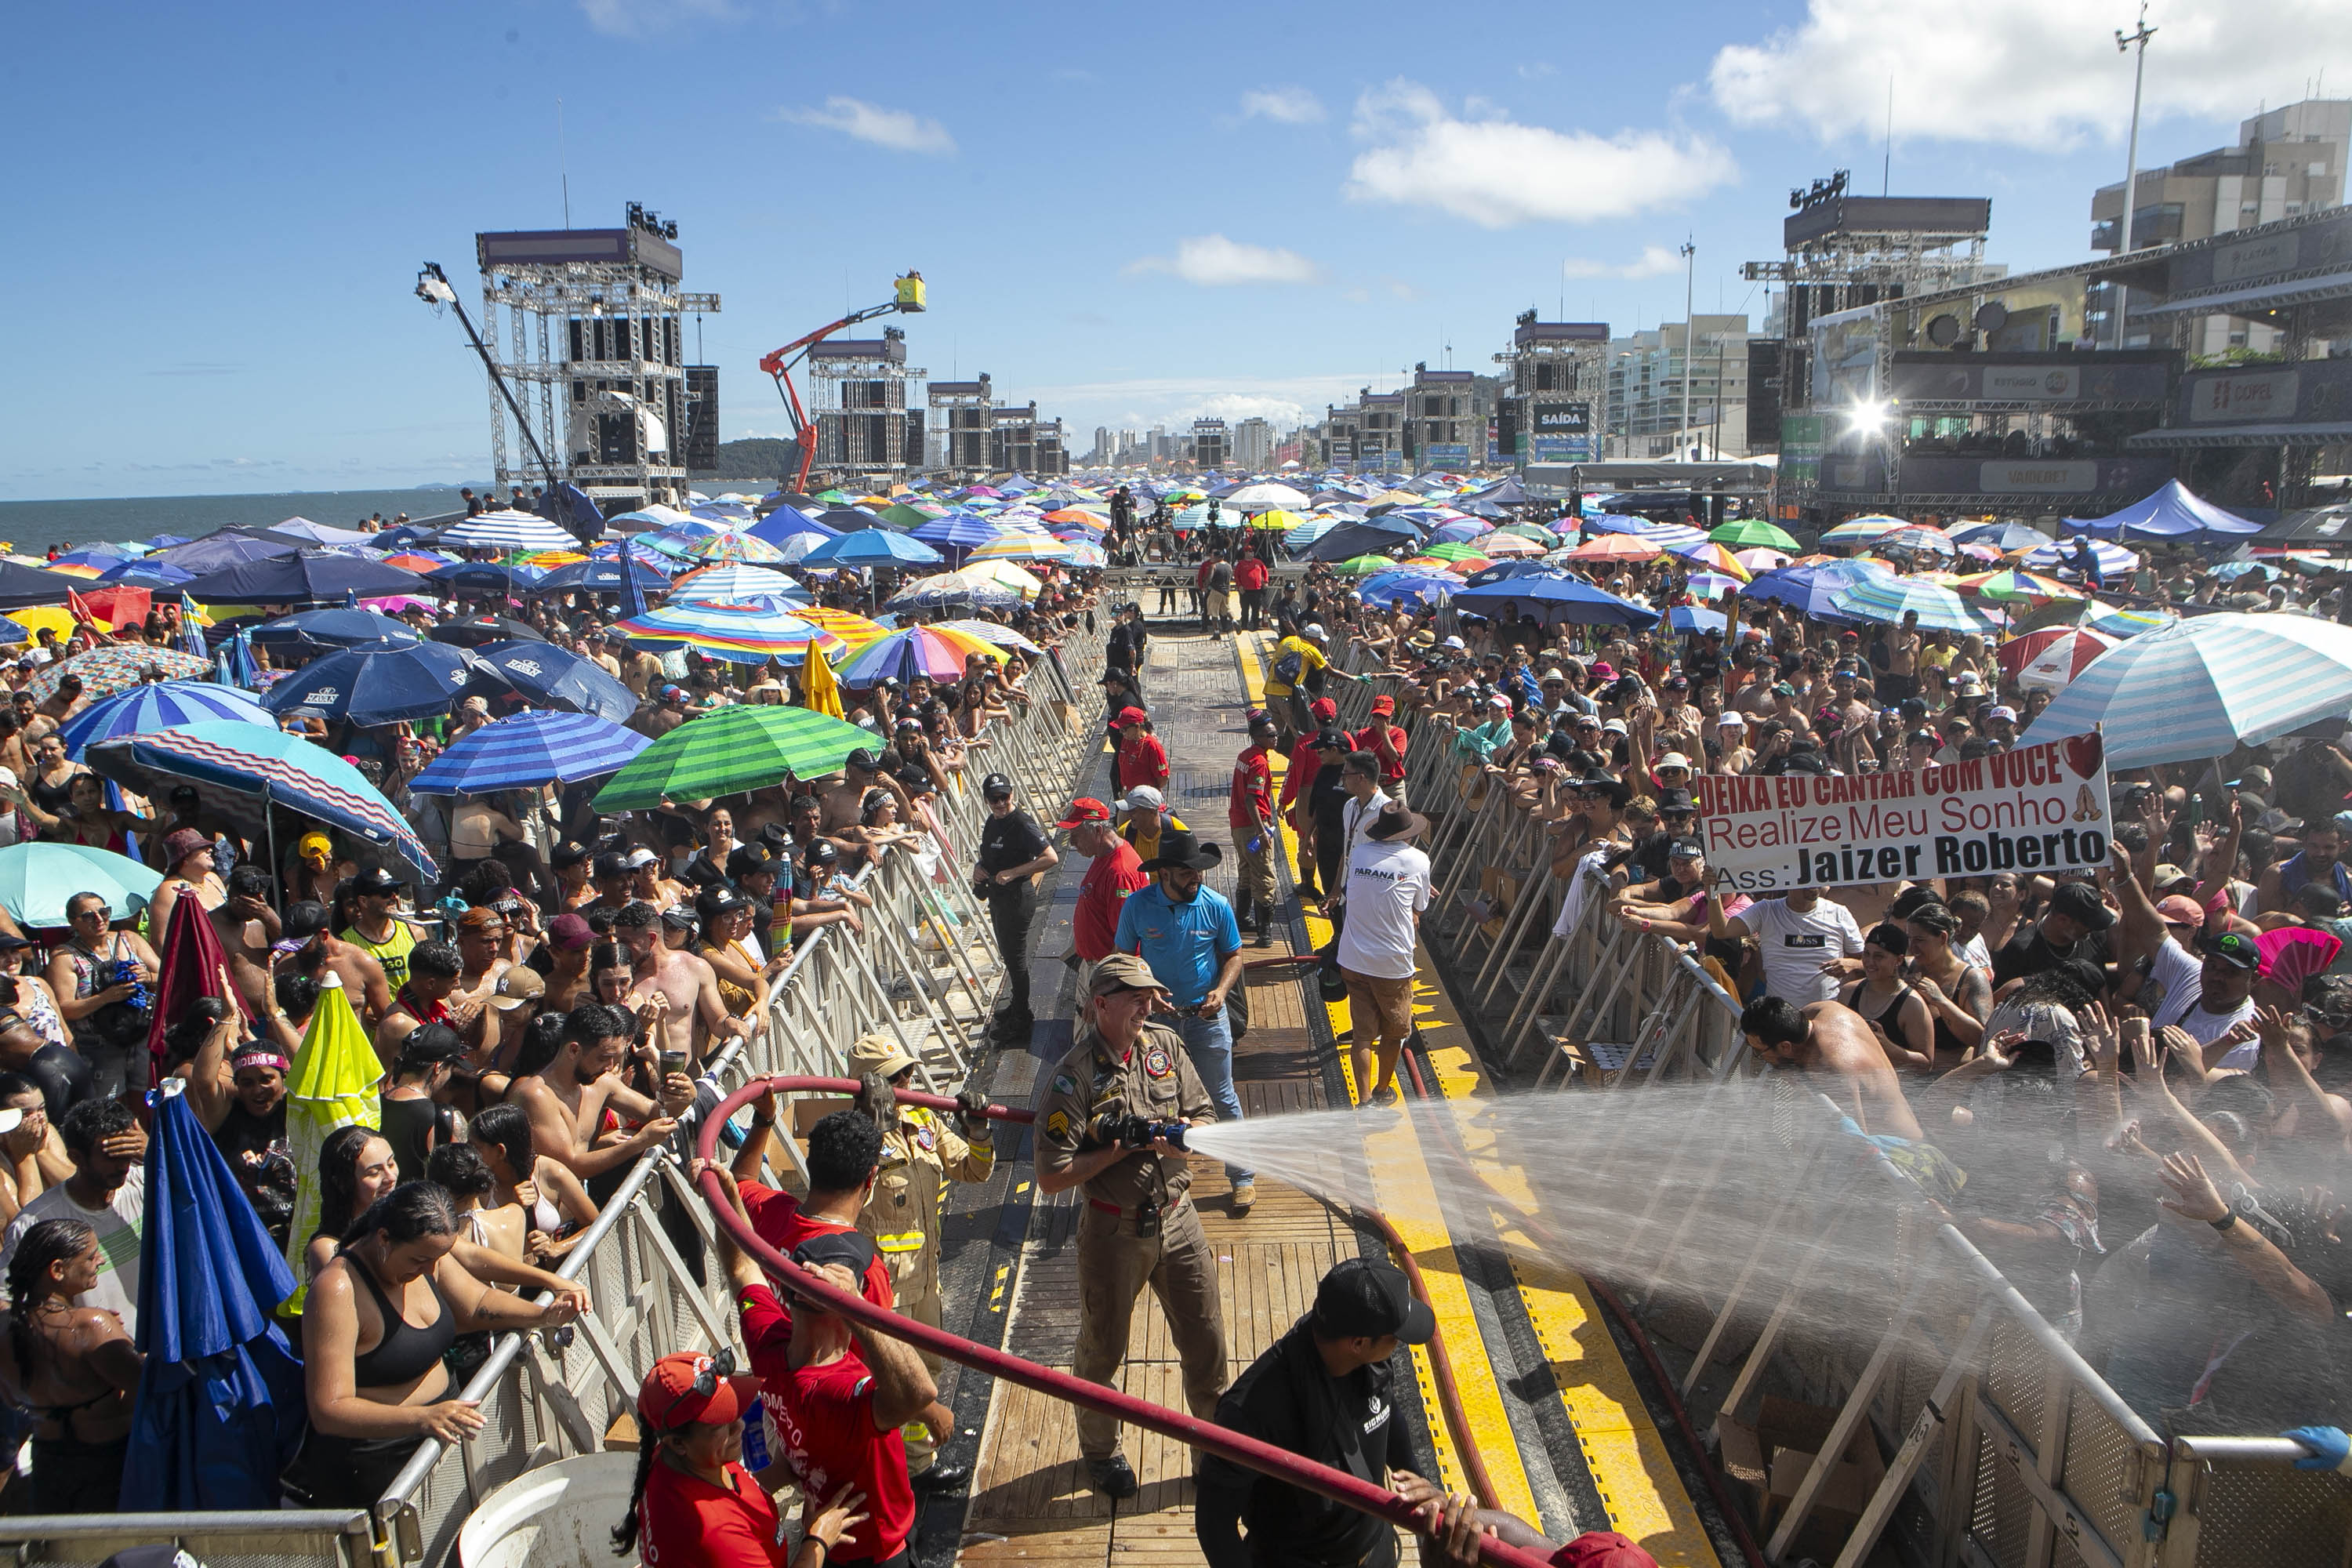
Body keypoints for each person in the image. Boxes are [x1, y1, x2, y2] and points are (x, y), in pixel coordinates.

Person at [1035, 954, 1227, 1499]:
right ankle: (1101, 1453)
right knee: (1102, 1349)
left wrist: (1187, 1131)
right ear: (1101, 1003)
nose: (1148, 1006)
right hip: (1113, 1233)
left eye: (1150, 996)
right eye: (1136, 998)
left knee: (1207, 1340)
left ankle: (1213, 1454)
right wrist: (1117, 1149)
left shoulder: (1165, 1047)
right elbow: (1051, 1176)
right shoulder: (1074, 1077)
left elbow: (1207, 1114)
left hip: (1179, 1220)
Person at [289, 1182, 580, 1508]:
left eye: (437, 1258)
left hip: (441, 1437)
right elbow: (329, 1409)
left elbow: (478, 1303)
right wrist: (422, 1417)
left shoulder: (429, 1257)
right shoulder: (337, 1289)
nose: (430, 1270)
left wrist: (544, 1315)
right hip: (381, 1466)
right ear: (384, 1238)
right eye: (419, 1259)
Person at [713, 1218, 938, 1568]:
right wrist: (859, 1309)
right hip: (877, 1551)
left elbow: (742, 1265)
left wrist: (724, 1199)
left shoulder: (767, 1345)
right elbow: (919, 1392)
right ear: (844, 1308)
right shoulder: (843, 1392)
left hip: (825, 1541)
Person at [1196, 1258, 1435, 1568]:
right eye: (1395, 1337)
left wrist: (1424, 1485)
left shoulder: (1369, 1359)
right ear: (1359, 1344)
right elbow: (1214, 1527)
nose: (1399, 1344)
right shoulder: (1251, 1411)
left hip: (1375, 1550)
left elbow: (1389, 1418)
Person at [848, 1032, 993, 1485]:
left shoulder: (924, 1122)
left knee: (926, 1374)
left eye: (909, 1071)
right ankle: (888, 1468)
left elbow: (972, 1169)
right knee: (891, 1378)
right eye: (896, 1077)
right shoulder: (853, 1136)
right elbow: (847, 1195)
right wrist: (873, 1129)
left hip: (926, 1279)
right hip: (883, 1289)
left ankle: (916, 1465)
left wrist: (978, 1130)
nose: (908, 1081)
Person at [611, 1348, 866, 1568]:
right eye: (721, 1424)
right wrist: (818, 1541)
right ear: (678, 1443)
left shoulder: (679, 1460)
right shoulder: (712, 1533)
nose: (739, 1427)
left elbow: (734, 1490)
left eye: (734, 1409)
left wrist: (783, 1468)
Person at [1114, 827, 1255, 1209]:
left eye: (1199, 871)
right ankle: (1159, 1181)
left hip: (1206, 1017)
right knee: (1152, 1098)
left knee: (1222, 1095)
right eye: (1187, 871)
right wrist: (1146, 992)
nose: (1196, 877)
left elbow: (1234, 956)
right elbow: (1123, 958)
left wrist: (1221, 992)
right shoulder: (1137, 907)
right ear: (1164, 874)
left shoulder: (1217, 906)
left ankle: (1242, 1176)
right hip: (1157, 1024)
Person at [0, 1218, 142, 1514]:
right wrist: (122, 1338)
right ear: (57, 1270)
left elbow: (12, 1398)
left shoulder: (4, 1330)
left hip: (48, 1468)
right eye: (91, 1256)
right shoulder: (92, 1326)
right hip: (110, 1469)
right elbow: (149, 1388)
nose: (100, 1260)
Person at [0, 1098, 146, 1338]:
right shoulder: (36, 1223)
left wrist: (154, 1153)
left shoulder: (148, 1186)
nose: (124, 1166)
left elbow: (209, 1202)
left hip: (164, 1353)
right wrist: (74, 1324)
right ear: (77, 1157)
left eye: (128, 1153)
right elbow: (7, 1305)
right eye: (111, 1156)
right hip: (94, 1362)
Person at [1335, 801, 1434, 1108]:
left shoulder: (1361, 853)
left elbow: (1354, 891)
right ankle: (1381, 1091)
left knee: (1363, 1034)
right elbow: (1421, 906)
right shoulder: (1417, 860)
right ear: (1408, 832)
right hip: (1392, 964)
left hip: (1352, 959)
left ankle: (1362, 1100)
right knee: (1394, 1031)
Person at [1738, 995, 1926, 1141]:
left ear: (1786, 1047)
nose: (1763, 1059)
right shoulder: (1824, 1009)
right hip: (1896, 1144)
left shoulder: (1831, 1069)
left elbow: (1859, 1144)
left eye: (1760, 1052)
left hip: (1900, 1158)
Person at [49, 890, 160, 1101]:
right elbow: (65, 1009)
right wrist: (106, 997)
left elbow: (168, 975)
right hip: (99, 1044)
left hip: (141, 1035)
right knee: (108, 1105)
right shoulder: (65, 957)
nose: (99, 919)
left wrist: (148, 977)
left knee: (146, 1099)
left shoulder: (130, 940)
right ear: (73, 923)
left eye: (104, 912)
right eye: (89, 916)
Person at [974, 772, 1058, 1044]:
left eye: (1005, 797)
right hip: (998, 897)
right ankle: (1016, 1007)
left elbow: (1050, 857)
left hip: (1017, 898)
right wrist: (980, 868)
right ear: (987, 800)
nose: (1001, 803)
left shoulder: (1021, 823)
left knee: (1017, 960)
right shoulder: (993, 821)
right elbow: (987, 854)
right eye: (995, 799)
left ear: (1012, 795)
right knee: (1009, 958)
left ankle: (1022, 1018)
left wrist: (1015, 872)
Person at [1058, 797, 1149, 1002]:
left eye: (1076, 834)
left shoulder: (1119, 873)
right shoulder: (1103, 856)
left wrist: (1102, 989)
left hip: (1108, 974)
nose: (1071, 842)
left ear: (1098, 831)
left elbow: (1126, 940)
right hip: (1097, 967)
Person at [1229, 712, 1282, 946]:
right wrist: (1262, 831)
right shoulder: (1260, 763)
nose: (1276, 738)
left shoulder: (1245, 756)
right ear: (1258, 736)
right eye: (1271, 735)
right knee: (1264, 877)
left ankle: (1242, 918)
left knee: (1246, 870)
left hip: (1238, 825)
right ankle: (1265, 933)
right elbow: (1252, 799)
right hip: (1253, 826)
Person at [339, 866, 422, 990]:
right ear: (363, 901)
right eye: (386, 893)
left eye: (396, 891)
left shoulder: (415, 933)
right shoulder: (345, 944)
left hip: (411, 1009)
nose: (394, 897)